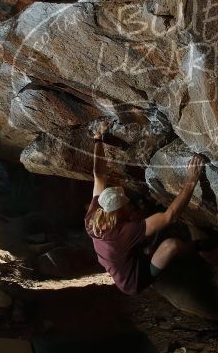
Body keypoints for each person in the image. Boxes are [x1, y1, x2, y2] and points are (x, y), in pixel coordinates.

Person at [85, 121, 206, 295]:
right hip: (134, 280)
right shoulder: (123, 233)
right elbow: (169, 216)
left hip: (125, 259)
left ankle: (143, 251)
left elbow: (99, 175)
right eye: (126, 204)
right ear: (118, 212)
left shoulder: (93, 217)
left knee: (142, 223)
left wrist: (98, 139)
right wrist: (191, 181)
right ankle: (196, 249)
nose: (129, 205)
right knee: (171, 245)